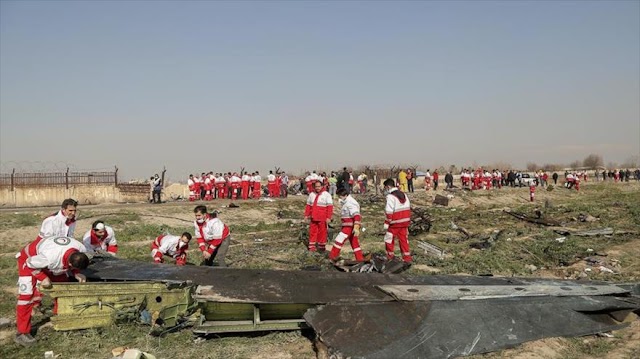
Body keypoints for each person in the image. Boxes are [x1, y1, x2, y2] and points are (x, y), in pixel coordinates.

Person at [15, 236, 89, 346]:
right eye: (73, 268)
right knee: (26, 297)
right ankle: (22, 333)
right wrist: (42, 277)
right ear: (70, 264)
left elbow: (69, 265)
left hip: (51, 261)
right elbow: (30, 263)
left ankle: (61, 318)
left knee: (63, 289)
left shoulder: (81, 248)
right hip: (29, 260)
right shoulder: (49, 257)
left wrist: (76, 273)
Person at [329, 188, 364, 261]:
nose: (339, 198)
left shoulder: (350, 203)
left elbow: (356, 215)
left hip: (349, 227)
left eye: (340, 196)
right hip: (348, 226)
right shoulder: (347, 202)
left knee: (339, 240)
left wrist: (356, 227)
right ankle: (360, 258)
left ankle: (333, 257)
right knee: (355, 243)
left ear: (344, 195)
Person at [382, 178, 412, 263]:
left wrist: (387, 223)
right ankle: (407, 258)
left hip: (395, 222)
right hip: (405, 221)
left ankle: (390, 256)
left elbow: (389, 211)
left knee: (389, 238)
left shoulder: (390, 196)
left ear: (388, 187)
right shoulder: (404, 194)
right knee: (403, 239)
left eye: (385, 188)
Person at [304, 181, 333, 252]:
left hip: (322, 217)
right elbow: (308, 206)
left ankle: (321, 247)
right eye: (316, 186)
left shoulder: (327, 195)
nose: (317, 188)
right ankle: (312, 247)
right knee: (312, 232)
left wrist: (328, 217)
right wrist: (306, 215)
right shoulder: (311, 194)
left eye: (319, 186)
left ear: (322, 186)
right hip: (313, 217)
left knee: (322, 232)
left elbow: (330, 207)